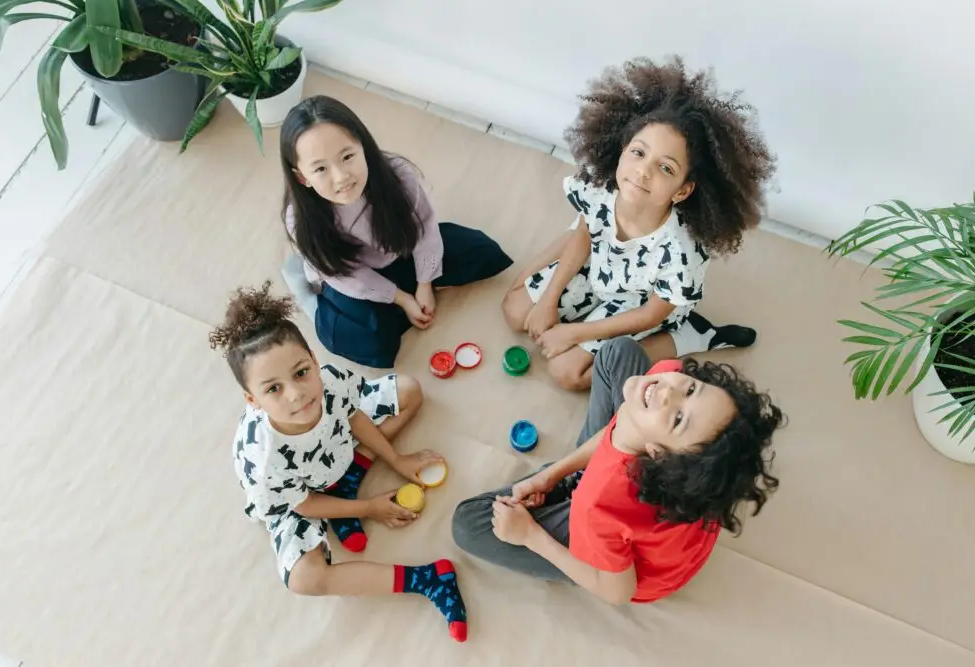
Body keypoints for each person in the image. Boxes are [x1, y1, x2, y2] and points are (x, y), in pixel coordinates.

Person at [210, 282, 468, 642]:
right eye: (273, 389)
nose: (297, 394)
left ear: (315, 362)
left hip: (334, 449)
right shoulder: (262, 458)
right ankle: (427, 579)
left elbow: (354, 416)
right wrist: (368, 508)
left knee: (409, 390)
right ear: (252, 400)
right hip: (296, 496)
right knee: (305, 578)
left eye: (301, 372)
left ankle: (349, 478)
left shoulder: (328, 382)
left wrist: (396, 459)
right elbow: (304, 503)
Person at [502, 57, 777, 390]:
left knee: (567, 373)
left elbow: (650, 314)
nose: (643, 171)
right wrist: (548, 299)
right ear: (622, 149)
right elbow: (583, 235)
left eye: (666, 168)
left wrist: (572, 331)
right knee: (516, 312)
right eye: (638, 152)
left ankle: (691, 336)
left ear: (683, 190)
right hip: (599, 266)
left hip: (640, 301)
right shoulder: (599, 188)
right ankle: (556, 301)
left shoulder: (681, 254)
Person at [451, 337, 782, 605]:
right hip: (635, 508)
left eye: (678, 419)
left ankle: (566, 497)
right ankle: (568, 483)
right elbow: (619, 428)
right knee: (618, 352)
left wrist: (532, 537)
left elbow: (617, 592)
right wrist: (550, 476)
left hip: (630, 562)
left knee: (467, 524)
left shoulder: (600, 506)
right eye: (692, 389)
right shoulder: (667, 381)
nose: (667, 392)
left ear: (655, 455)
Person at [280, 95, 514, 368]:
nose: (341, 176)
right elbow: (348, 276)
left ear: (363, 147)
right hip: (346, 272)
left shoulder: (398, 175)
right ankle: (308, 284)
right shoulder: (300, 219)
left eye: (347, 156)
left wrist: (425, 283)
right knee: (366, 341)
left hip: (397, 250)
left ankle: (400, 294)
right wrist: (403, 299)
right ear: (302, 178)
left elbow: (424, 227)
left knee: (483, 252)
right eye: (320, 168)